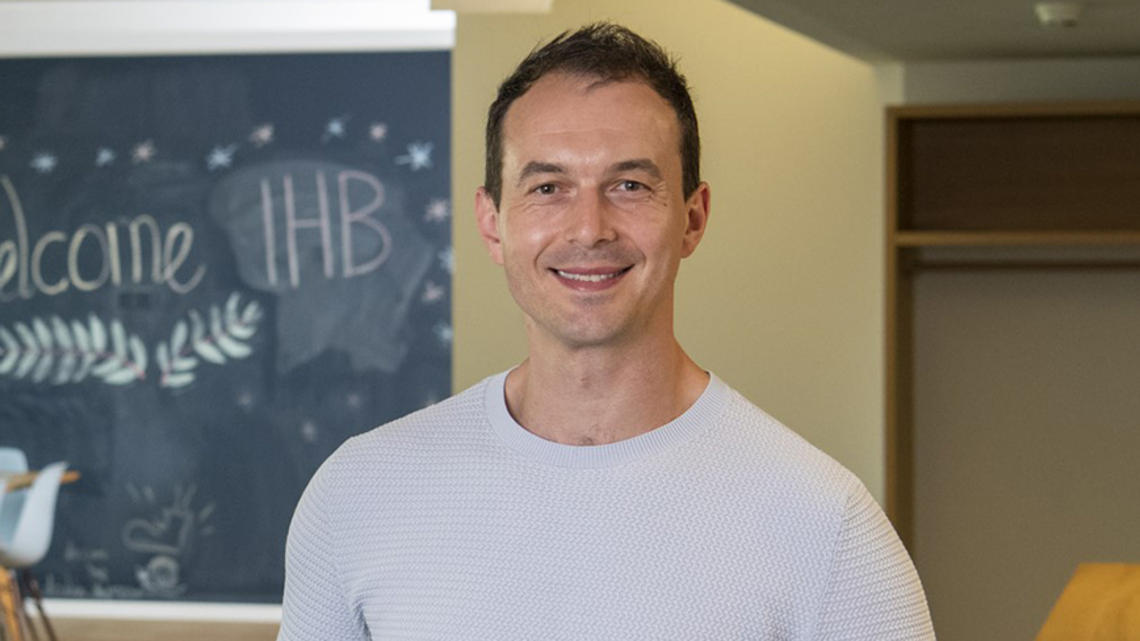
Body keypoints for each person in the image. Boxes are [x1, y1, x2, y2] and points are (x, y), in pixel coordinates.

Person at [278, 23, 935, 640]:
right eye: (548, 187)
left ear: (693, 217)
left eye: (629, 183)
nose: (589, 227)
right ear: (491, 223)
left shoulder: (825, 525)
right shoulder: (358, 495)